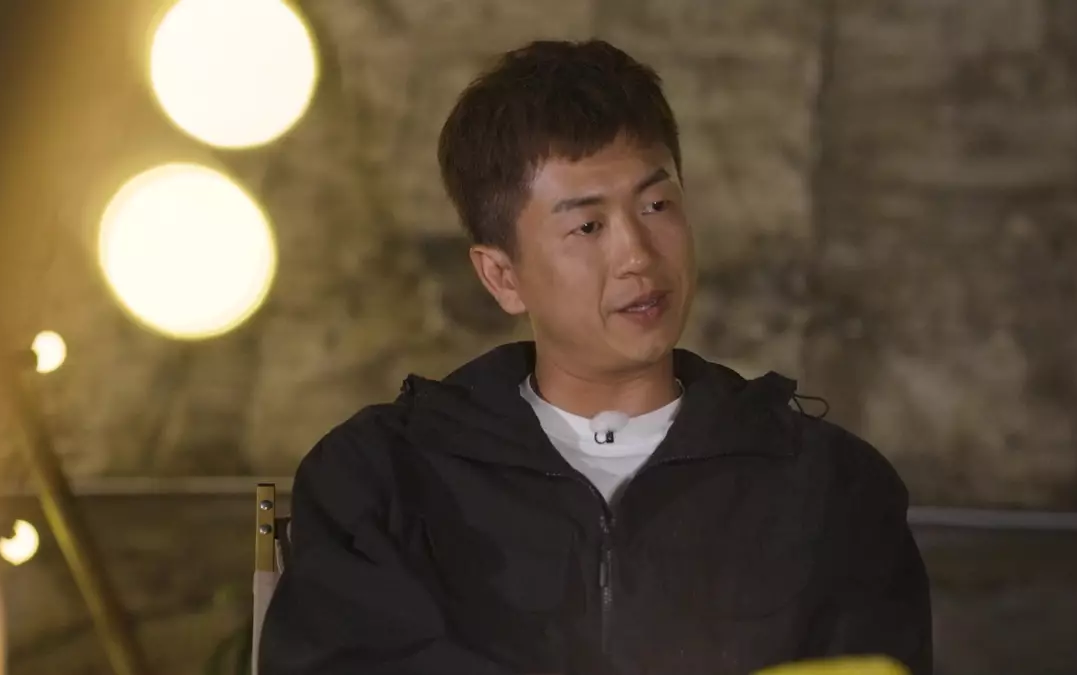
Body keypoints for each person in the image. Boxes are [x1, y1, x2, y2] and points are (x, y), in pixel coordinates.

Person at [259, 39, 932, 675]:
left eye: (657, 204)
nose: (638, 254)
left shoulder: (828, 486)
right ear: (502, 275)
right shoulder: (382, 479)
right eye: (587, 225)